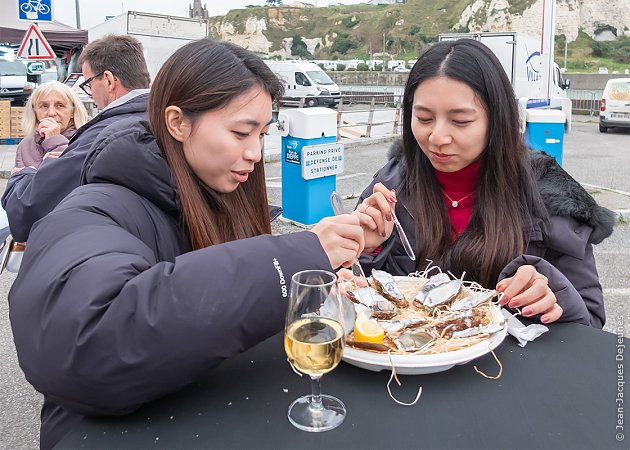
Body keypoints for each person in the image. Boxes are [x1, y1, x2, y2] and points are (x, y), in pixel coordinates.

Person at [8, 39, 366, 449]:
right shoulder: (95, 205)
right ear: (177, 122)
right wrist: (293, 259)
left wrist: (340, 251)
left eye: (263, 134)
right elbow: (89, 343)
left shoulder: (220, 190)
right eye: (240, 132)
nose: (254, 153)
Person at [354, 39, 614, 328]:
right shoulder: (391, 185)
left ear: (497, 120)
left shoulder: (549, 195)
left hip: (510, 370)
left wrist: (553, 292)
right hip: (407, 366)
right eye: (424, 118)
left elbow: (591, 319)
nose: (437, 137)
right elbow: (354, 297)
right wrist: (365, 252)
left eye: (461, 121)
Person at [1, 34, 151, 243]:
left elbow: (27, 209)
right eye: (43, 106)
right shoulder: (163, 119)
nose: (90, 95)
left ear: (108, 81)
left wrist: (20, 176)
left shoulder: (105, 134)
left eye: (88, 83)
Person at [13, 81, 89, 171]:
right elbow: (18, 184)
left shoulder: (86, 139)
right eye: (44, 106)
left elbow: (75, 177)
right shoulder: (26, 145)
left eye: (60, 105)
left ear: (72, 111)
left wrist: (54, 139)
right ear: (35, 112)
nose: (51, 113)